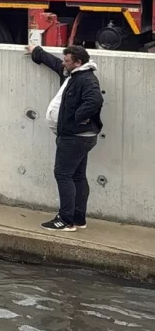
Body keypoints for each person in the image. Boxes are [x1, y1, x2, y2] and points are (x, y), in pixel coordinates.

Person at [26, 43, 104, 232]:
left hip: (75, 137)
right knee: (77, 175)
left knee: (63, 174)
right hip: (80, 136)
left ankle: (65, 220)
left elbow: (95, 100)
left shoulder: (86, 79)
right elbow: (55, 64)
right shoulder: (72, 74)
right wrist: (37, 52)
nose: (63, 63)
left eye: (67, 61)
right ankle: (78, 218)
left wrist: (77, 117)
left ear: (78, 62)